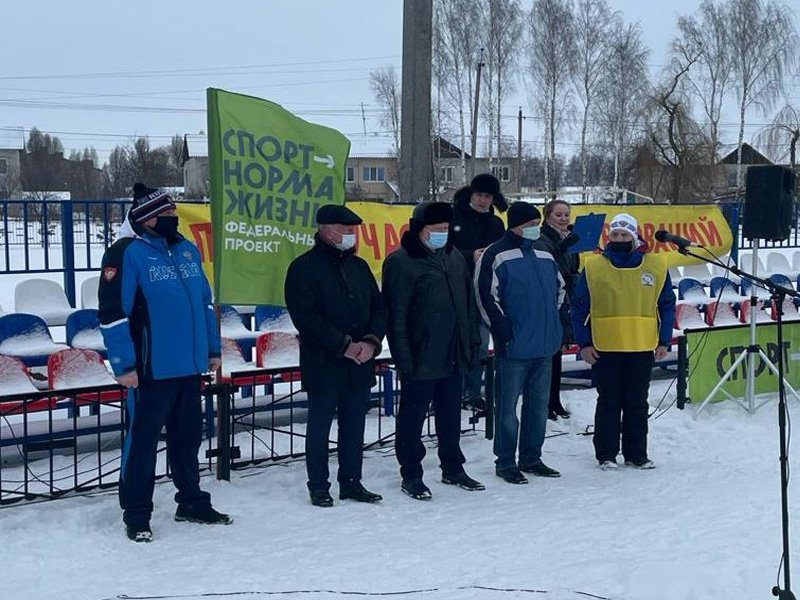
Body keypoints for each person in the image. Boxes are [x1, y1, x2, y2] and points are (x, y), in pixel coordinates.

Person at [98, 183, 229, 543]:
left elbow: (204, 303)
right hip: (149, 371)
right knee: (142, 443)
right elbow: (113, 315)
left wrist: (212, 349)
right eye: (165, 213)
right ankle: (137, 513)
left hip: (188, 366)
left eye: (173, 212)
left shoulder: (186, 250)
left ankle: (191, 500)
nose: (173, 217)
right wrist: (124, 365)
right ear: (146, 218)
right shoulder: (126, 253)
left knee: (187, 439)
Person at [284, 204, 388, 507]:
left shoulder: (359, 267)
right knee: (319, 428)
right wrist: (344, 345)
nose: (351, 236)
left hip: (360, 364)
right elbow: (305, 317)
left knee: (354, 427)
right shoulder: (304, 268)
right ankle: (318, 485)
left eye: (353, 231)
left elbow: (379, 308)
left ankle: (352, 482)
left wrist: (369, 343)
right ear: (326, 231)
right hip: (324, 364)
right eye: (346, 231)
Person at [382, 201, 484, 500]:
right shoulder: (401, 262)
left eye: (446, 229)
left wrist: (471, 343)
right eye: (436, 229)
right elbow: (396, 314)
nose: (443, 234)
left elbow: (467, 305)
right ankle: (411, 473)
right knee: (412, 418)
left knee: (450, 415)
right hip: (421, 353)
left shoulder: (453, 257)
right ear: (419, 230)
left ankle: (453, 467)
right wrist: (404, 356)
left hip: (454, 352)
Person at [570, 213, 676, 471]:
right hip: (605, 346)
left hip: (641, 344)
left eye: (624, 234)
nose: (619, 238)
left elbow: (666, 305)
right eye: (615, 234)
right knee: (608, 401)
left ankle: (636, 453)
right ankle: (606, 454)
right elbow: (579, 306)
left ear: (635, 236)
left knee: (637, 401)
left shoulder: (655, 266)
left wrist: (664, 340)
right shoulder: (594, 266)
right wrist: (583, 344)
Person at [476, 202, 565, 485]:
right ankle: (505, 461)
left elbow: (560, 288)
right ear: (515, 225)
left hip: (544, 344)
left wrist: (557, 319)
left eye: (536, 223)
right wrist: (503, 329)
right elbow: (485, 295)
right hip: (514, 346)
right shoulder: (495, 254)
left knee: (538, 407)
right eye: (529, 224)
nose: (534, 229)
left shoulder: (544, 252)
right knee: (507, 408)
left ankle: (531, 457)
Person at [449, 173, 508, 409]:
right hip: (459, 287)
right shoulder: (455, 217)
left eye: (488, 196)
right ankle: (459, 391)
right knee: (464, 343)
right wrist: (469, 255)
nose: (483, 200)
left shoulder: (496, 224)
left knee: (482, 344)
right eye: (479, 195)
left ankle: (473, 392)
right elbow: (445, 251)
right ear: (471, 194)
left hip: (487, 288)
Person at [533, 199, 580, 420]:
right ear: (547, 216)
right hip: (548, 301)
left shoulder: (567, 238)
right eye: (558, 215)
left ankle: (555, 400)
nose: (563, 220)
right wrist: (564, 248)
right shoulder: (541, 238)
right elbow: (548, 263)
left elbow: (572, 267)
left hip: (565, 300)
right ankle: (545, 402)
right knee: (548, 355)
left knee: (557, 353)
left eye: (566, 215)